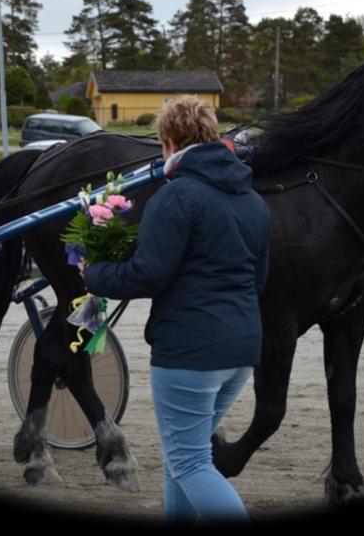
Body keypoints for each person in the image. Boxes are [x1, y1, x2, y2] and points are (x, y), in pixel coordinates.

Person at [83, 95, 271, 522]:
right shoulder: (253, 201)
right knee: (183, 456)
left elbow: (148, 275)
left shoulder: (177, 196)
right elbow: (258, 280)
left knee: (189, 462)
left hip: (189, 352)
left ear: (168, 141)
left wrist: (95, 275)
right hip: (242, 350)